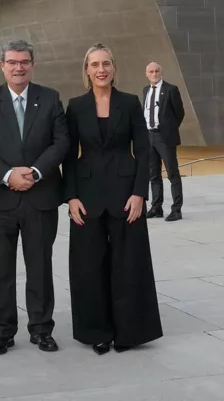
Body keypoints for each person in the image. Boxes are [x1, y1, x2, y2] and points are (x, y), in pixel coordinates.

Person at [0, 39, 69, 355]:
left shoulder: (50, 98)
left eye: (24, 62)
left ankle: (41, 329)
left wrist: (36, 173)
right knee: (0, 268)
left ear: (32, 64)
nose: (18, 67)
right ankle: (3, 331)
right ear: (2, 65)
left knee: (40, 265)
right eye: (12, 62)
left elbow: (61, 142)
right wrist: (8, 175)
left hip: (40, 197)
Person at [64, 45, 162, 353]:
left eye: (106, 63)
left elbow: (144, 151)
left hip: (125, 196)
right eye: (95, 64)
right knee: (88, 268)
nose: (101, 69)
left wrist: (139, 194)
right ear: (87, 71)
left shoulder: (130, 103)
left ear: (114, 68)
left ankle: (129, 332)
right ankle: (97, 332)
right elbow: (68, 156)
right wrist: (71, 197)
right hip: (87, 197)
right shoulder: (76, 106)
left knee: (129, 265)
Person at [141, 62, 185, 221]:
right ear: (146, 74)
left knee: (172, 173)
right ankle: (156, 207)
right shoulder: (146, 90)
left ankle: (176, 209)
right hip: (149, 137)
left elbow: (180, 113)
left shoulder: (171, 90)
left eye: (157, 71)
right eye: (151, 71)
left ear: (161, 72)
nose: (154, 74)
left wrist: (168, 130)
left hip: (165, 138)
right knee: (154, 174)